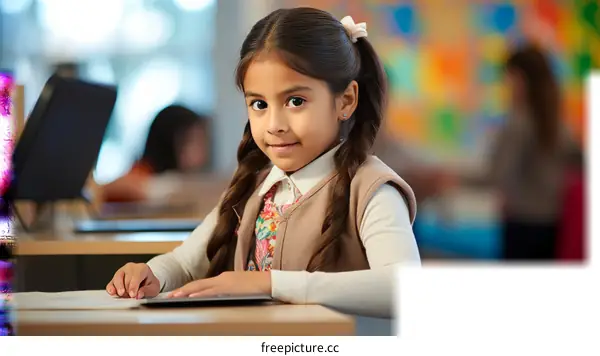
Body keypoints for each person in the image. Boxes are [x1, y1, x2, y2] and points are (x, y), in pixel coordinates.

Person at [105, 8, 420, 318]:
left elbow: (402, 289)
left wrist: (270, 283)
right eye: (259, 104)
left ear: (346, 101)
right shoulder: (254, 186)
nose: (274, 124)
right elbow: (186, 262)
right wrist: (152, 273)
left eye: (295, 101)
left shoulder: (372, 190)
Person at [456, 43, 577, 260]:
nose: (507, 87)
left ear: (521, 80)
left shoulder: (517, 124)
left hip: (522, 226)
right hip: (554, 225)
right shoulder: (560, 126)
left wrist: (451, 178)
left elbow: (494, 176)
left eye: (509, 79)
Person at [100, 104, 210, 202]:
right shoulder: (142, 173)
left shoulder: (188, 181)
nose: (201, 151)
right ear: (169, 142)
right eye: (193, 142)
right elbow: (103, 191)